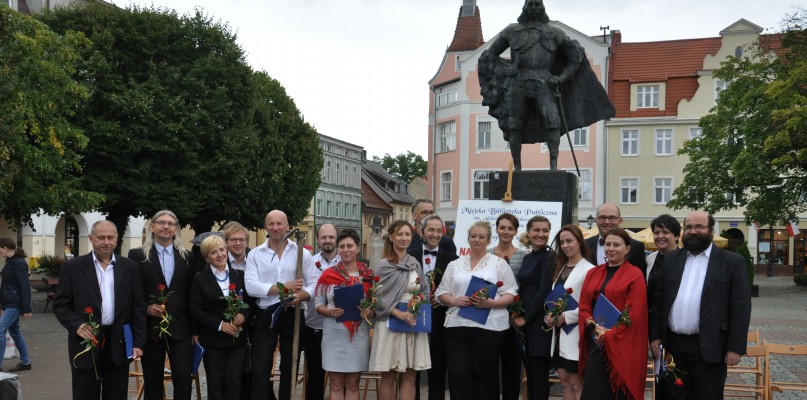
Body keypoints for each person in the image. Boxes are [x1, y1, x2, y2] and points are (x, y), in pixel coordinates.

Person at [478, 0, 614, 170]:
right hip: (517, 82)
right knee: (514, 124)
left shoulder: (554, 33)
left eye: (537, 4)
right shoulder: (511, 31)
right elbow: (489, 55)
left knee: (553, 121)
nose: (533, 8)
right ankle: (517, 168)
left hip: (544, 82)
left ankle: (553, 166)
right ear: (525, 7)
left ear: (542, 7)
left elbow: (576, 56)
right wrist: (506, 69)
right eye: (530, 4)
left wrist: (561, 78)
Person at [650, 211, 751, 400]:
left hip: (710, 346)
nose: (692, 231)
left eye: (699, 227)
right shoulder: (672, 259)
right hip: (672, 346)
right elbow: (659, 302)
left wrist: (735, 347)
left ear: (710, 230)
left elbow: (740, 308)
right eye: (688, 227)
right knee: (671, 395)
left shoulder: (731, 262)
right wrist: (655, 337)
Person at [54, 221, 146, 399]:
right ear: (91, 239)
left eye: (110, 237)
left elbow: (138, 307)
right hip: (86, 341)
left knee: (117, 394)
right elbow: (61, 304)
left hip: (118, 341)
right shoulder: (73, 267)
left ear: (116, 239)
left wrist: (138, 342)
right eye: (101, 237)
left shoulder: (130, 267)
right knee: (85, 393)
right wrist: (76, 325)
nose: (106, 242)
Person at [436, 221, 518, 400]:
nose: (477, 240)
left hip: (490, 327)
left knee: (485, 376)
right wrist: (454, 300)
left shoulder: (498, 264)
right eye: (473, 236)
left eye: (481, 237)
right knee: (459, 374)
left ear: (488, 240)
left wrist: (492, 303)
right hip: (457, 325)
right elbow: (442, 292)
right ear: (468, 238)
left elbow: (510, 292)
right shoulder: (455, 264)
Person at [245, 210, 318, 400]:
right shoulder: (255, 254)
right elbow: (251, 286)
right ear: (265, 226)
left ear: (287, 225)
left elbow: (314, 283)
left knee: (290, 364)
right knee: (260, 365)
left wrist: (303, 294)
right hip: (266, 314)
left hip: (293, 313)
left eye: (279, 224)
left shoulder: (302, 252)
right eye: (271, 224)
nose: (276, 228)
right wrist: (282, 288)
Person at [128, 210, 196, 400]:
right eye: (161, 222)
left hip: (181, 327)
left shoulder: (187, 257)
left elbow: (191, 294)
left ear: (176, 229)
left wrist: (194, 330)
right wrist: (146, 308)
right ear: (152, 227)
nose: (166, 226)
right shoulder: (137, 255)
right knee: (153, 379)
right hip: (151, 329)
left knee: (183, 377)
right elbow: (134, 292)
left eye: (171, 223)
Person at [578, 228, 648, 400]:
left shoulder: (635, 275)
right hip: (597, 342)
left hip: (623, 343)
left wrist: (610, 333)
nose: (611, 248)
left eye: (617, 245)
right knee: (594, 391)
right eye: (608, 244)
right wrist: (590, 323)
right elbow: (584, 304)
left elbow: (634, 312)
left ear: (627, 249)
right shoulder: (593, 273)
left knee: (617, 392)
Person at [369, 220, 431, 400]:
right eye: (400, 234)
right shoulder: (383, 265)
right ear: (391, 237)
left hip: (412, 320)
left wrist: (417, 302)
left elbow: (424, 290)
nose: (404, 238)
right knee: (388, 374)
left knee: (410, 373)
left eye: (407, 234)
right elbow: (377, 297)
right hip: (390, 321)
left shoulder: (414, 264)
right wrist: (397, 312)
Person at [190, 235, 256, 399]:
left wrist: (243, 315)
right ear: (206, 257)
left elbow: (251, 302)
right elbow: (195, 310)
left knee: (234, 383)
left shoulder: (239, 275)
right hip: (213, 340)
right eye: (213, 252)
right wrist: (220, 324)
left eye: (221, 249)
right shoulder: (199, 279)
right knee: (215, 385)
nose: (219, 255)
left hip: (237, 340)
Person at [314, 229, 374, 400]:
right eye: (342, 246)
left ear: (357, 249)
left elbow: (376, 305)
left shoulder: (368, 276)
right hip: (333, 335)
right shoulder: (328, 274)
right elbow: (318, 304)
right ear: (338, 249)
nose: (346, 249)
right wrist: (328, 311)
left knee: (353, 384)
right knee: (336, 384)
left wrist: (370, 311)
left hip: (358, 335)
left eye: (350, 246)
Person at [406, 215, 459, 400]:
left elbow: (457, 287)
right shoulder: (408, 256)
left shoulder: (453, 259)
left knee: (438, 366)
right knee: (412, 367)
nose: (435, 234)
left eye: (438, 231)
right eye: (431, 230)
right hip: (413, 315)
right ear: (422, 232)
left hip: (442, 317)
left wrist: (444, 298)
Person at [544, 225, 596, 400]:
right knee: (564, 381)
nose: (565, 245)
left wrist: (565, 316)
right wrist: (550, 316)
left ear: (580, 242)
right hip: (558, 334)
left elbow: (591, 305)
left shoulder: (589, 269)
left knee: (576, 383)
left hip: (575, 334)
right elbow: (554, 299)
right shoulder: (561, 267)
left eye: (569, 241)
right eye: (562, 242)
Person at [488, 213, 529, 400]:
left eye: (510, 228)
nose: (506, 231)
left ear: (515, 231)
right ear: (496, 229)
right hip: (490, 316)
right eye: (502, 227)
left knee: (512, 367)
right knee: (489, 366)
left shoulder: (524, 256)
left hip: (514, 318)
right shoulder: (487, 254)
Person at [512, 216, 553, 400]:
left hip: (538, 324)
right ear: (528, 232)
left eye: (545, 231)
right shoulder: (529, 257)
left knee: (539, 377)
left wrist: (525, 318)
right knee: (531, 374)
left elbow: (544, 290)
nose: (541, 234)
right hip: (526, 324)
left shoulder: (549, 256)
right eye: (536, 230)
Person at [304, 224, 339, 400]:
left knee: (338, 377)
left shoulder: (344, 262)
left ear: (336, 239)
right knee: (315, 375)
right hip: (314, 325)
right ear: (318, 239)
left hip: (338, 327)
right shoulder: (309, 262)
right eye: (324, 237)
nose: (327, 241)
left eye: (331, 237)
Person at [585, 203, 647, 277]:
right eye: (602, 217)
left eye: (612, 218)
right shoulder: (585, 245)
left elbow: (640, 280)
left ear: (620, 220)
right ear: (596, 221)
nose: (607, 222)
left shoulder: (635, 247)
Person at [0, 237, 32, 372]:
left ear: (6, 248)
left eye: (0, 249)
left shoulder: (18, 263)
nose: (0, 252)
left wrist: (26, 308)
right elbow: (6, 285)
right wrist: (2, 304)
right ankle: (26, 362)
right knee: (15, 332)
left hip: (15, 303)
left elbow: (25, 286)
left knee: (0, 330)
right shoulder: (10, 262)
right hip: (9, 302)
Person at [645, 215, 681, 309]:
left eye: (665, 232)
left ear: (677, 236)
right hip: (652, 316)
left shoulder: (685, 259)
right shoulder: (649, 259)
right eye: (656, 233)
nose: (660, 236)